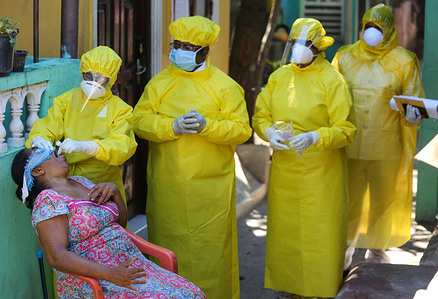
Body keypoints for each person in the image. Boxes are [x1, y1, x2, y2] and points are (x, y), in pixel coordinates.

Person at [133, 15, 252, 299]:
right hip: (167, 185)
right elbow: (138, 120)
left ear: (205, 50)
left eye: (188, 46)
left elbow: (242, 130)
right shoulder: (159, 84)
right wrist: (170, 126)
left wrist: (209, 126)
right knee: (166, 250)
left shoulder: (225, 87)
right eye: (177, 44)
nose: (180, 50)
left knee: (211, 253)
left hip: (210, 190)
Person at [11, 147, 206, 298]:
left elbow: (119, 224)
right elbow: (57, 257)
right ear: (38, 171)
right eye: (52, 154)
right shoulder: (48, 200)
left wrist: (115, 192)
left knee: (192, 294)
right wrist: (110, 274)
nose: (60, 154)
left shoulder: (81, 181)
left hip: (133, 268)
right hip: (99, 281)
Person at [252, 18, 356, 298]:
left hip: (322, 174)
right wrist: (268, 131)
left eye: (304, 44)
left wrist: (315, 137)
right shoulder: (279, 77)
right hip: (285, 171)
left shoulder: (333, 81)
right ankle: (288, 288)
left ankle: (319, 290)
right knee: (285, 235)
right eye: (294, 43)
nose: (298, 49)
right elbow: (261, 114)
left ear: (318, 47)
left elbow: (346, 130)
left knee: (319, 235)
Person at [332, 3, 425, 266]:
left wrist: (412, 116)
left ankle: (377, 252)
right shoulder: (345, 56)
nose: (372, 32)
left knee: (382, 202)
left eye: (378, 27)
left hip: (387, 147)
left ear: (389, 30)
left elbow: (415, 100)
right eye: (368, 26)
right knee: (348, 201)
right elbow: (330, 95)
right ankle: (344, 252)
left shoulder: (404, 60)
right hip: (349, 144)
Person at [25, 46, 137, 204]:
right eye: (88, 75)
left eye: (100, 79)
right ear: (82, 72)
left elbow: (123, 146)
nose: (93, 82)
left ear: (112, 80)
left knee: (106, 222)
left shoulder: (120, 110)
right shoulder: (66, 101)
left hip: (102, 182)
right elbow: (48, 125)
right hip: (67, 179)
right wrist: (39, 138)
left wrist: (89, 147)